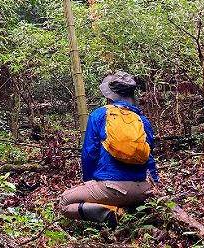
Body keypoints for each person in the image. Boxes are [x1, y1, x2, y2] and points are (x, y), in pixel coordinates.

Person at [58, 71, 159, 223]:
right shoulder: (142, 120)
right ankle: (135, 211)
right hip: (143, 190)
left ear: (109, 96)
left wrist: (90, 182)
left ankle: (116, 215)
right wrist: (154, 187)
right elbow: (149, 158)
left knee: (64, 202)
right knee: (126, 194)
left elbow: (89, 154)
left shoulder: (99, 115)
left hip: (111, 188)